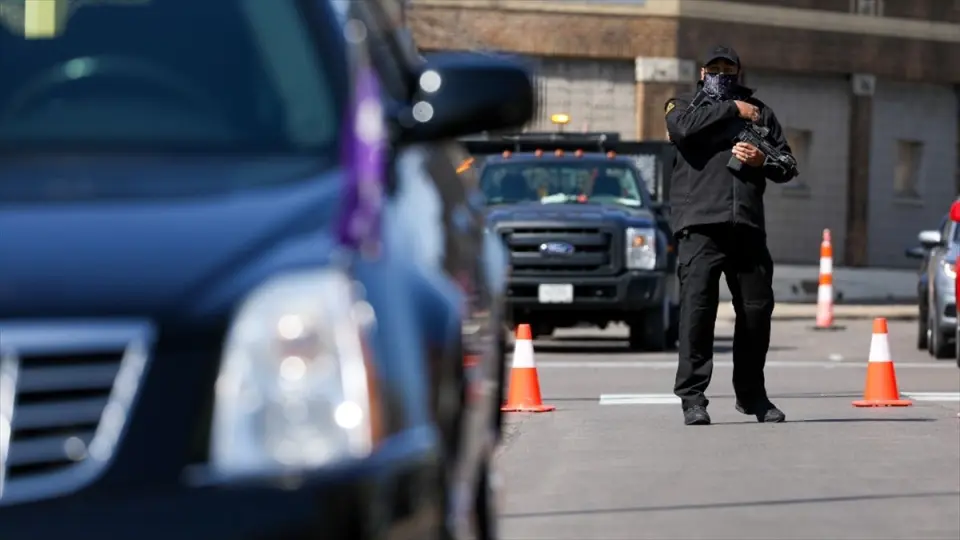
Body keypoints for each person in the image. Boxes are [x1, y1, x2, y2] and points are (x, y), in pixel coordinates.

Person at [664, 45, 798, 426]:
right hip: (700, 226)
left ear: (739, 71)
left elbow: (788, 165)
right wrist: (733, 109)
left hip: (747, 228)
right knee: (697, 313)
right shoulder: (683, 105)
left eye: (728, 68)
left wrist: (762, 159)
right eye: (715, 67)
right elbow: (682, 129)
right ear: (702, 72)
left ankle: (752, 395)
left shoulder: (761, 113)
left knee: (756, 312)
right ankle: (693, 398)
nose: (721, 73)